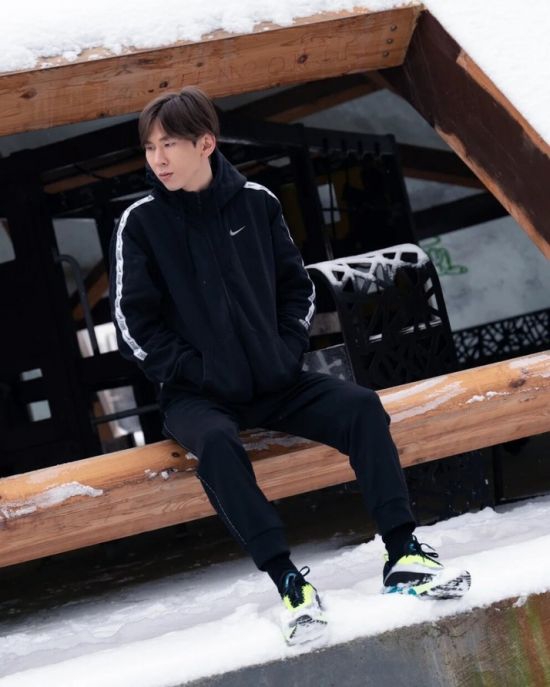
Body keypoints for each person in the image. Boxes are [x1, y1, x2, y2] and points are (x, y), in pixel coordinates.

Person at [109, 86, 471, 645]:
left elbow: (295, 287)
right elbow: (133, 324)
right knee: (218, 445)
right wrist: (196, 370)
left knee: (362, 408)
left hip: (276, 378)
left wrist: (282, 351)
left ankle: (403, 551)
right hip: (196, 393)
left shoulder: (257, 203)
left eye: (169, 144)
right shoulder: (141, 222)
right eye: (150, 147)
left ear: (205, 143)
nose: (157, 158)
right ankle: (287, 580)